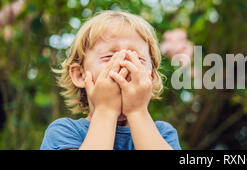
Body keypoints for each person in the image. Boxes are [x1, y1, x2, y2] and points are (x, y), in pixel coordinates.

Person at [40, 10, 181, 150]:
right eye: (109, 57)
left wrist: (136, 110)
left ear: (150, 79)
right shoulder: (64, 132)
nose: (123, 64)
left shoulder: (163, 134)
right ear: (80, 75)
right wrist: (105, 110)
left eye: (138, 59)